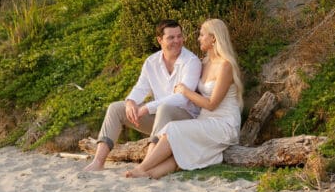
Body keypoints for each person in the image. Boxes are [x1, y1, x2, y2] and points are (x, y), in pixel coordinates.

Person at [124, 18, 243, 179]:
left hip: (223, 124)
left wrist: (185, 91)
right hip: (205, 121)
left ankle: (142, 167)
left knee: (173, 129)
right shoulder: (205, 62)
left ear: (213, 38)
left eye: (202, 35)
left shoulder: (225, 66)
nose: (198, 38)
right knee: (180, 147)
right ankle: (150, 174)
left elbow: (211, 104)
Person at [83, 19, 201, 172]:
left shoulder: (192, 61)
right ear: (160, 40)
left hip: (186, 119)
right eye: (171, 37)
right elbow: (140, 88)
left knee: (164, 108)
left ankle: (146, 165)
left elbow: (182, 98)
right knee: (116, 108)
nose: (177, 41)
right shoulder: (151, 62)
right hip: (160, 119)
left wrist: (146, 108)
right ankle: (98, 162)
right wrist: (131, 101)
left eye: (179, 36)